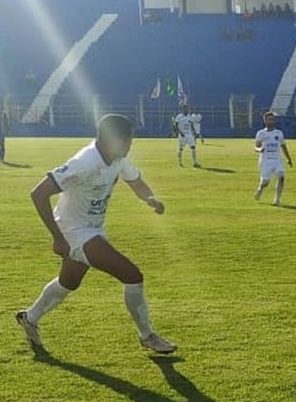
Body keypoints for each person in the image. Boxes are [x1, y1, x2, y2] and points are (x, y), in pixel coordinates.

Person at [15, 114, 176, 353]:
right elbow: (38, 193)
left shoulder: (118, 158)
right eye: (127, 141)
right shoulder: (85, 161)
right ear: (109, 140)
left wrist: (150, 199)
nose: (130, 145)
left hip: (92, 228)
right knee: (132, 275)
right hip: (74, 230)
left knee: (68, 283)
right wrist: (58, 238)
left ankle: (29, 317)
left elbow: (136, 181)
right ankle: (147, 335)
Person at [254, 111, 293, 206]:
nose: (271, 121)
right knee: (265, 182)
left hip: (277, 160)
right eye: (269, 119)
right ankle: (260, 189)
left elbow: (283, 146)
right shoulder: (261, 133)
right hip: (265, 161)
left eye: (272, 119)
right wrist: (260, 150)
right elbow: (256, 147)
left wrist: (288, 159)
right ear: (265, 121)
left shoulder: (279, 133)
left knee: (281, 176)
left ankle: (277, 200)